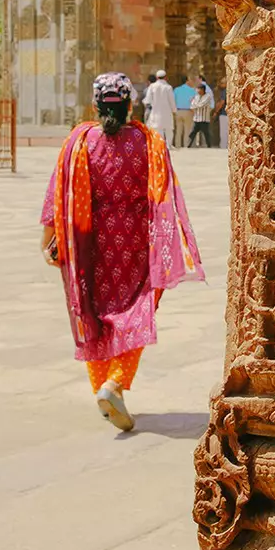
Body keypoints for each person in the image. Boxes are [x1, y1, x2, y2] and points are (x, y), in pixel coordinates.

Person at [40, 74, 206, 432]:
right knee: (137, 311)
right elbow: (161, 195)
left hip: (89, 242)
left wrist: (49, 235)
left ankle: (105, 385)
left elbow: (59, 189)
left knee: (93, 312)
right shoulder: (149, 142)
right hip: (134, 241)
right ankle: (114, 383)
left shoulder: (79, 142)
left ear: (96, 106)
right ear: (130, 104)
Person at [143, 70, 176, 147]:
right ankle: (168, 146)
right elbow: (172, 100)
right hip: (167, 112)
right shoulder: (168, 87)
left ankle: (160, 146)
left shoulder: (152, 86)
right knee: (169, 130)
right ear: (165, 77)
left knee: (158, 129)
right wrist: (174, 110)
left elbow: (148, 100)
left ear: (157, 77)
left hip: (156, 112)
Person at [189, 77, 218, 148]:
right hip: (196, 118)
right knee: (193, 133)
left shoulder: (207, 96)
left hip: (204, 119)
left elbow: (201, 104)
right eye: (197, 89)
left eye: (199, 89)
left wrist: (195, 104)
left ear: (203, 90)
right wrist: (195, 104)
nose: (198, 91)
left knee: (206, 134)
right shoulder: (196, 96)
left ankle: (209, 145)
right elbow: (192, 106)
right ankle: (188, 145)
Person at [171, 76, 194, 147]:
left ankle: (177, 145)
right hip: (188, 111)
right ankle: (186, 146)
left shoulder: (176, 90)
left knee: (178, 130)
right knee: (187, 130)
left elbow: (173, 101)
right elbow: (194, 101)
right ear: (187, 81)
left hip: (178, 111)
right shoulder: (192, 90)